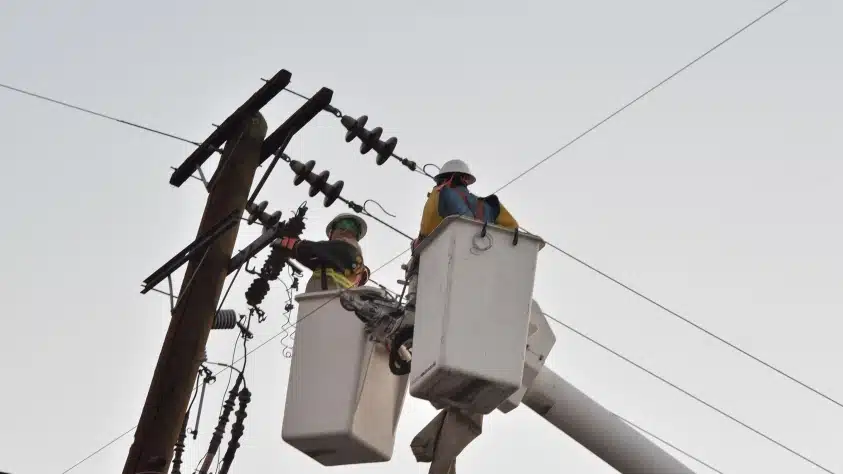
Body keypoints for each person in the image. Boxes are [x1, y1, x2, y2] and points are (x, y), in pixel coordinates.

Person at [406, 159, 519, 308]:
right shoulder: (488, 205)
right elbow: (512, 227)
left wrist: (417, 244)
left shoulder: (440, 194)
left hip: (445, 262)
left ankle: (412, 305)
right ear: (466, 180)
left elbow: (427, 227)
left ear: (447, 178)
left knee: (415, 261)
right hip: (482, 263)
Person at [276, 213, 370, 292]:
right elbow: (312, 254)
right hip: (330, 303)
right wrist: (295, 246)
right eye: (343, 227)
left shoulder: (346, 249)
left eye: (350, 229)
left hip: (326, 300)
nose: (346, 231)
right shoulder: (344, 260)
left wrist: (289, 243)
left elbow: (313, 249)